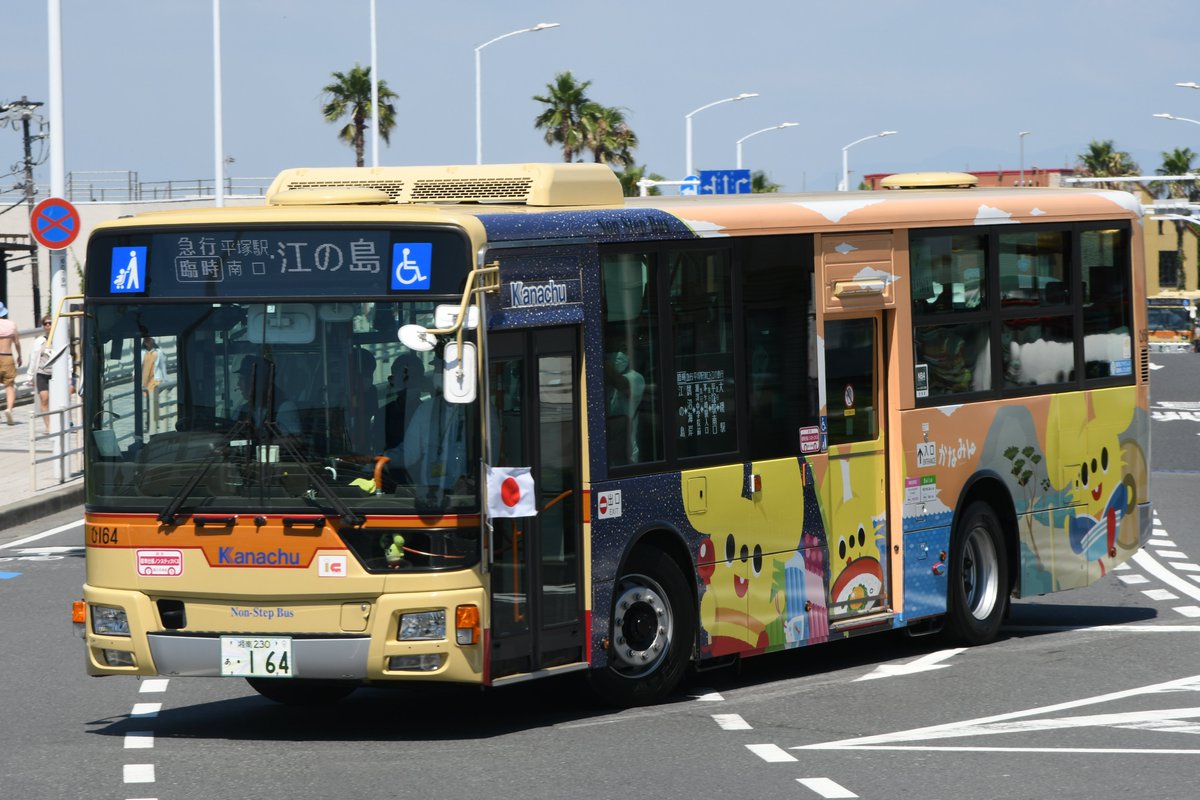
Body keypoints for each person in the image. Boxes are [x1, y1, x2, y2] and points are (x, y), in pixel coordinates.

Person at [234, 355, 301, 436]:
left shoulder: (284, 408)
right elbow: (229, 433)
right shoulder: (242, 410)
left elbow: (295, 440)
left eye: (242, 379)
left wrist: (265, 442)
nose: (238, 384)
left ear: (255, 381)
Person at [27, 316, 69, 433]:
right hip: (42, 373)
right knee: (44, 399)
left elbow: (68, 357)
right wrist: (30, 376)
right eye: (45, 324)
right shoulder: (39, 342)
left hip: (57, 374)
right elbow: (33, 359)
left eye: (50, 323)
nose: (48, 326)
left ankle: (63, 422)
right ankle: (48, 426)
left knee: (60, 400)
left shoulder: (60, 340)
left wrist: (69, 374)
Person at [140, 336, 171, 434]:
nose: (147, 343)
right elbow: (138, 364)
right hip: (145, 380)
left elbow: (162, 366)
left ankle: (153, 422)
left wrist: (166, 381)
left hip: (155, 379)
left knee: (154, 402)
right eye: (146, 341)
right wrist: (134, 374)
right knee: (148, 402)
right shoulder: (142, 352)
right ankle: (149, 421)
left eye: (149, 341)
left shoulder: (158, 352)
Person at [0, 302, 22, 426]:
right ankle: (9, 409)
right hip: (7, 356)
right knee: (9, 385)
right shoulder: (11, 325)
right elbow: (17, 342)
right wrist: (19, 356)